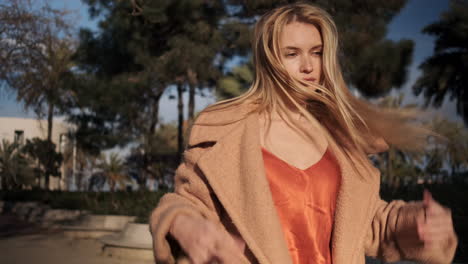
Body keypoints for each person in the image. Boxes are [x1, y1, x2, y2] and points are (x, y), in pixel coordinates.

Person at [149, 3, 457, 264]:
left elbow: (369, 223)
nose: (308, 66)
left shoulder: (342, 138)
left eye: (317, 52)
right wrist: (184, 224)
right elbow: (185, 203)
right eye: (292, 54)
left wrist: (416, 222)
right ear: (269, 60)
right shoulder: (226, 135)